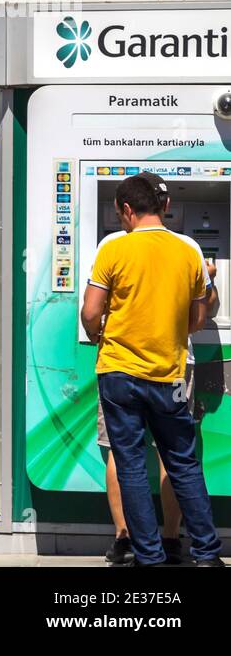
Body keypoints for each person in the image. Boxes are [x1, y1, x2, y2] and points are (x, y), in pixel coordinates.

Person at [81, 173, 224, 567]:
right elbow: (198, 318)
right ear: (164, 207)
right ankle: (208, 553)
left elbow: (91, 313)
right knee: (182, 461)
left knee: (129, 463)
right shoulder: (189, 253)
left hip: (120, 374)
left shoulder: (113, 249)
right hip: (171, 374)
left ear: (126, 209)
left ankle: (148, 556)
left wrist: (99, 333)